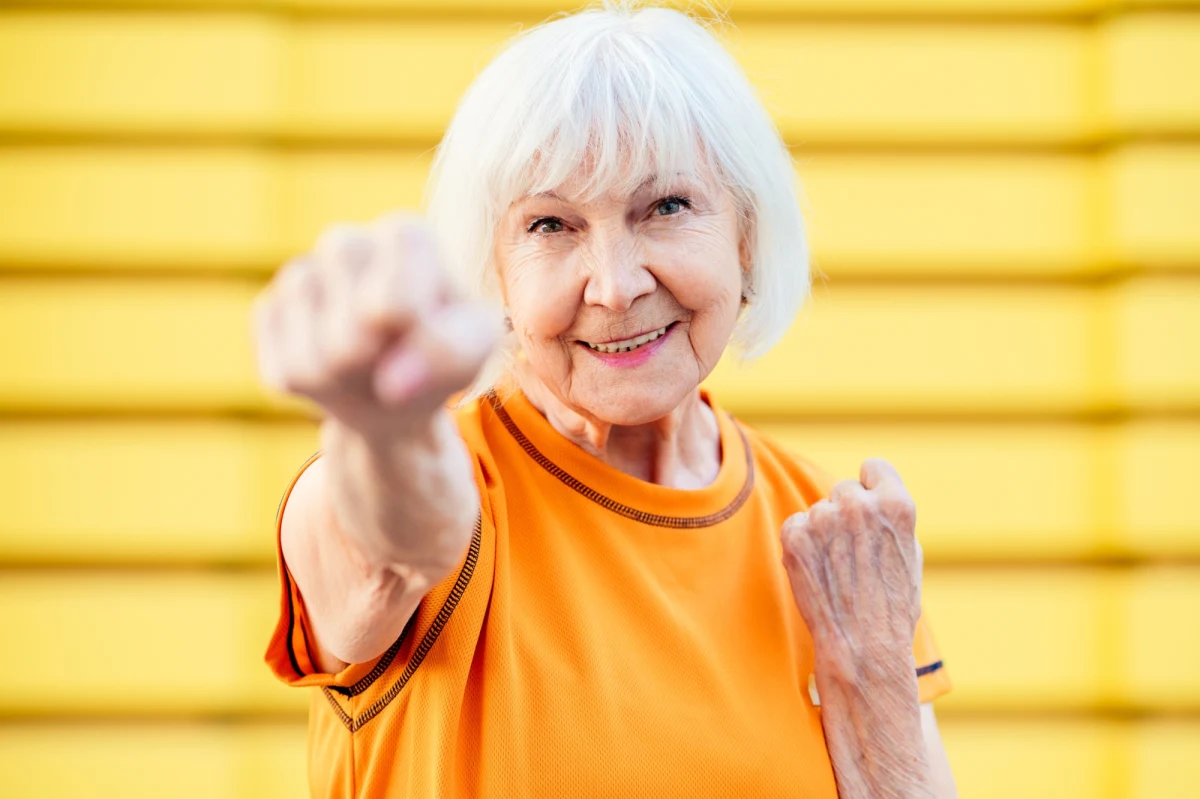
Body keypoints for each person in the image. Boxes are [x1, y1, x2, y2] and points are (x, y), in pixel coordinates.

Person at [253, 3, 957, 797]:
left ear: (747, 235)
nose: (616, 286)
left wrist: (876, 676)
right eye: (552, 225)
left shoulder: (828, 537)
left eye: (666, 207)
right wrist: (379, 426)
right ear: (497, 273)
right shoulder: (444, 484)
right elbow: (393, 538)